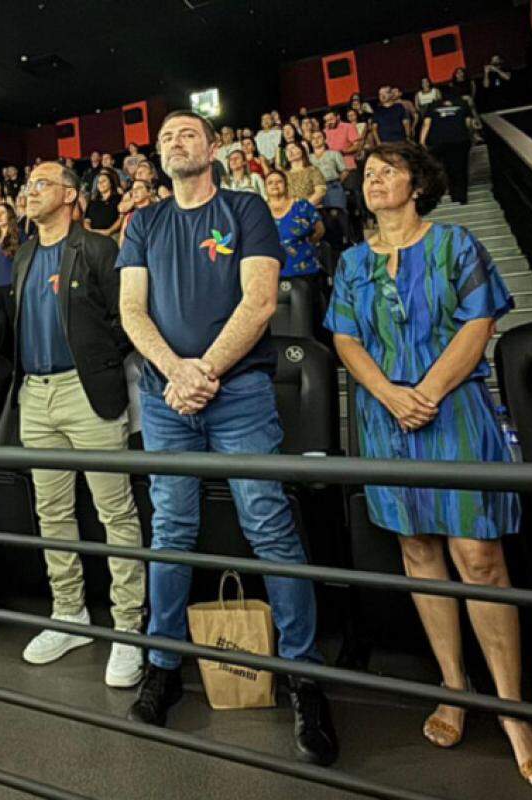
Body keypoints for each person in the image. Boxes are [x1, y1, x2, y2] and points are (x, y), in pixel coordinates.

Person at [324, 141, 532, 792]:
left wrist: (425, 391)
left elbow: (480, 322)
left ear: (418, 183)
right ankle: (453, 689)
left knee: (478, 554)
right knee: (418, 547)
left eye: (388, 171)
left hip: (453, 412)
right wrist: (389, 395)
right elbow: (345, 337)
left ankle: (516, 715)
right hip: (385, 418)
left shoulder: (456, 245)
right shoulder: (351, 262)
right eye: (366, 174)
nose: (374, 180)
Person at [116, 110, 337, 765]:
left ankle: (305, 675)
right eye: (166, 140)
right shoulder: (146, 222)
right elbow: (132, 307)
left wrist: (204, 370)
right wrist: (175, 372)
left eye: (188, 133)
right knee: (171, 530)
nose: (176, 143)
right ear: (158, 160)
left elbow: (262, 300)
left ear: (212, 147)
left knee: (269, 527)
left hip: (238, 394)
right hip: (165, 400)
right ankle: (163, 665)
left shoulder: (244, 209)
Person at [2, 162, 147, 686]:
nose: (28, 191)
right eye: (27, 184)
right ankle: (70, 616)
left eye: (39, 184)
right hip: (35, 397)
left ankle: (130, 627)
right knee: (52, 513)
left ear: (69, 195)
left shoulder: (98, 249)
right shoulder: (21, 255)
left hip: (87, 392)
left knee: (116, 513)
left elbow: (127, 319)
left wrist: (100, 360)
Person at [265, 171, 325, 279]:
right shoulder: (260, 210)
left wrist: (309, 244)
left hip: (305, 270)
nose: (274, 185)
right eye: (270, 183)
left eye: (279, 181)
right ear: (265, 188)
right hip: (271, 272)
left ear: (286, 185)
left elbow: (320, 230)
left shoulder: (302, 205)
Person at [420, 95, 474, 205]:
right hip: (459, 139)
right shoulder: (463, 103)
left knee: (443, 168)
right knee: (460, 169)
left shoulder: (433, 105)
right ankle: (460, 198)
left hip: (438, 140)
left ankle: (444, 192)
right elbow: (469, 123)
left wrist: (422, 141)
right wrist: (471, 137)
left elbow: (427, 123)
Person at [309, 130, 350, 248]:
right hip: (316, 189)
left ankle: (346, 239)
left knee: (338, 214)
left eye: (319, 137)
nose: (316, 140)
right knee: (322, 216)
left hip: (333, 186)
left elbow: (344, 171)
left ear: (324, 139)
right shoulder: (309, 158)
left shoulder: (334, 154)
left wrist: (336, 183)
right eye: (313, 138)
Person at [284, 142, 327, 206]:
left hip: (310, 209)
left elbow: (320, 192)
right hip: (290, 211)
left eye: (293, 148)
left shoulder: (313, 170)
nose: (290, 151)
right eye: (287, 150)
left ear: (302, 150)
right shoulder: (283, 175)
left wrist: (304, 206)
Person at [83, 170, 123, 238]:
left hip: (112, 234)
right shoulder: (93, 201)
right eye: (99, 182)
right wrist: (90, 230)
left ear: (110, 183)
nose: (101, 183)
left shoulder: (119, 199)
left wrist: (109, 231)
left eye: (104, 181)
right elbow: (87, 220)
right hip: (93, 235)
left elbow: (121, 218)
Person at [120, 178, 154, 247]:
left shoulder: (156, 213)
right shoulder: (129, 216)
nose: (135, 191)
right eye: (133, 189)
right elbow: (122, 243)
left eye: (139, 188)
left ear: (149, 192)